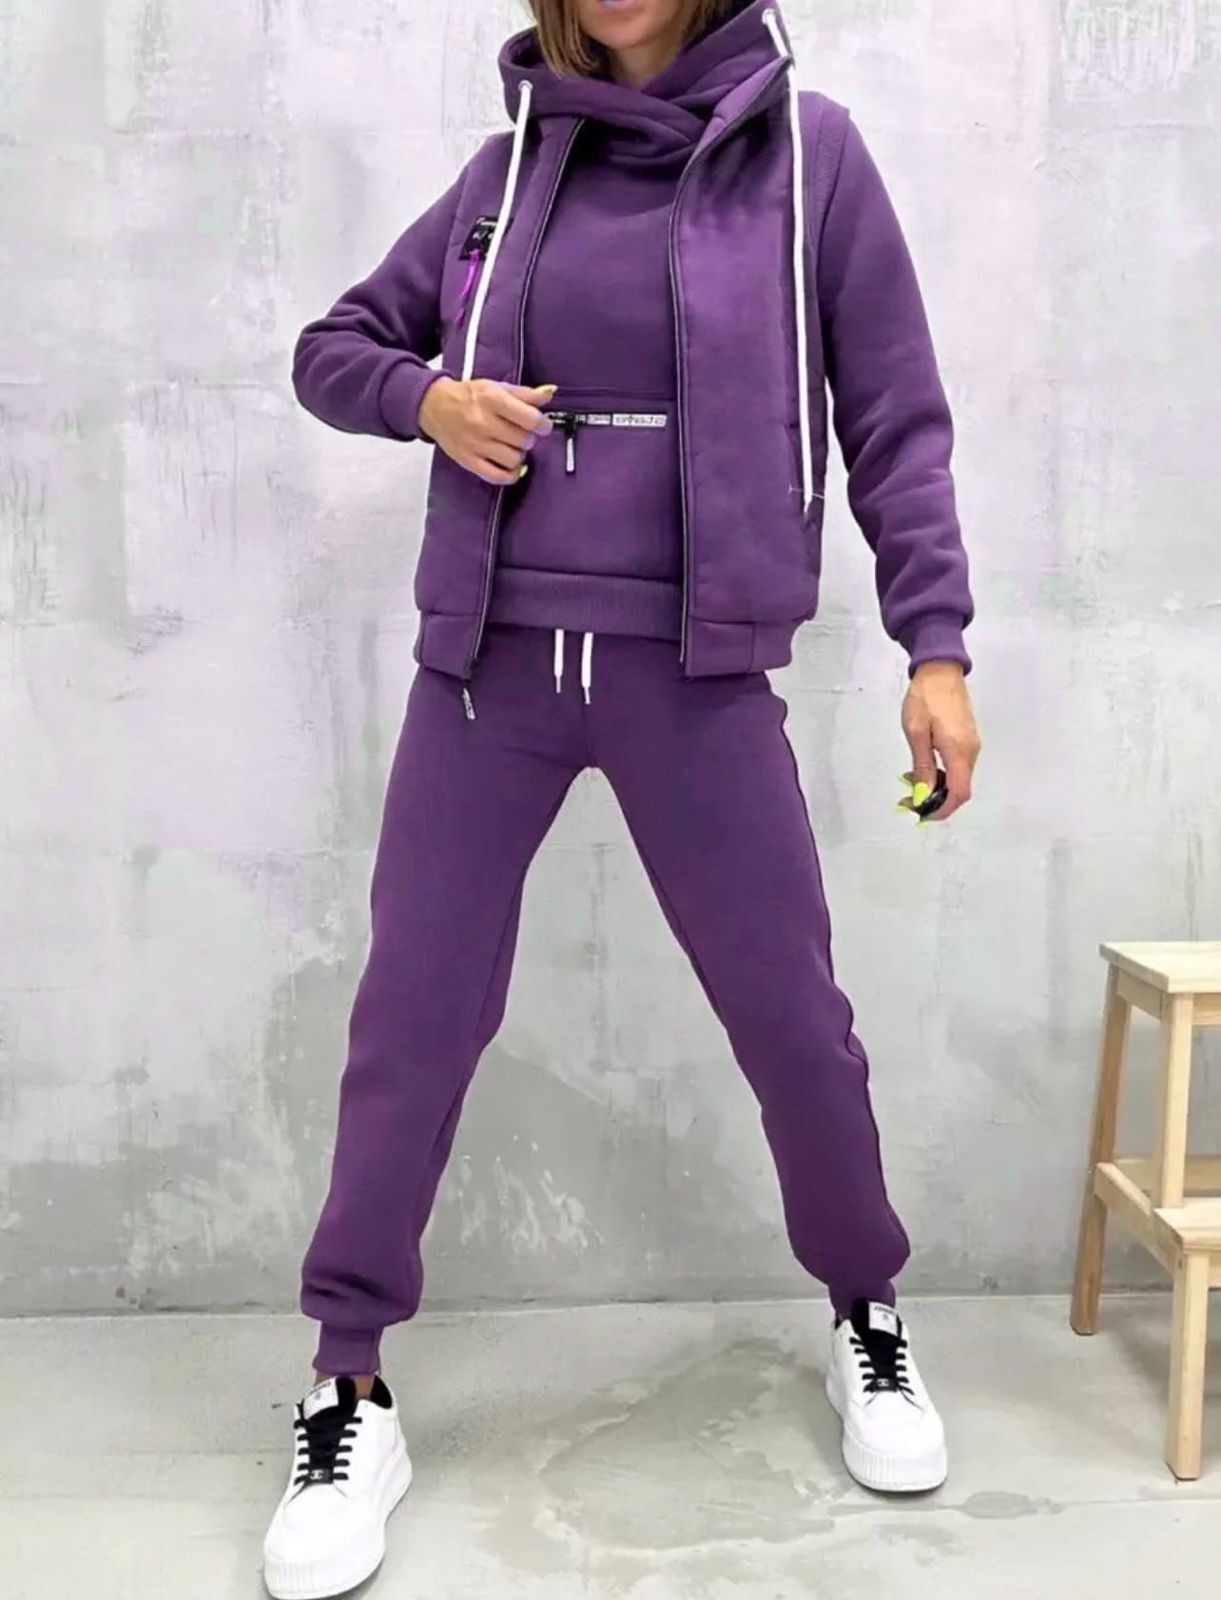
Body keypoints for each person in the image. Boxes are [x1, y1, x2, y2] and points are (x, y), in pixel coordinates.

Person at [262, 0, 981, 1592]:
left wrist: (935, 647)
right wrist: (427, 400)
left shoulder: (810, 161)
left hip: (695, 672)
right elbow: (334, 348)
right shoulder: (508, 169)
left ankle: (864, 1310)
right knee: (411, 1023)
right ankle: (346, 1384)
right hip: (487, 668)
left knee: (790, 1017)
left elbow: (894, 422)